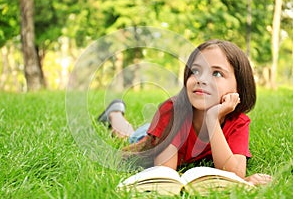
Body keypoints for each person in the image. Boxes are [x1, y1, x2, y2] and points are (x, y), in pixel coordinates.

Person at [97, 39, 271, 185]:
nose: (201, 79)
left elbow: (235, 173)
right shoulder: (173, 111)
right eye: (196, 71)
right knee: (128, 135)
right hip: (155, 134)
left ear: (239, 86)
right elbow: (165, 172)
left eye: (216, 73)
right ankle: (115, 113)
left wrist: (212, 119)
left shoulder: (238, 122)